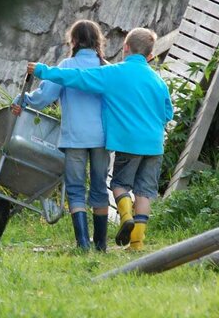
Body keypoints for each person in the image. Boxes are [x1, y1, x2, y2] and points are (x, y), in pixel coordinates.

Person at [27, 27, 174, 251]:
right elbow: (167, 114)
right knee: (144, 191)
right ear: (151, 56)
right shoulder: (157, 80)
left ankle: (121, 218)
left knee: (117, 184)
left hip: (122, 142)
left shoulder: (113, 72)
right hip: (152, 145)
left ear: (125, 47)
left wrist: (43, 71)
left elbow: (78, 78)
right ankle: (134, 244)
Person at [11, 20, 111, 252]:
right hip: (102, 138)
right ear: (97, 41)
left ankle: (83, 244)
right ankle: (102, 246)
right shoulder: (107, 67)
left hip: (75, 137)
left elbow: (43, 97)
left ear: (73, 41)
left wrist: (22, 100)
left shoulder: (66, 66)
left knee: (76, 188)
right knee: (99, 187)